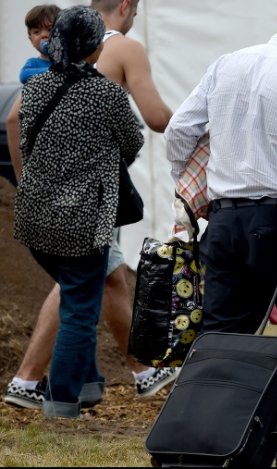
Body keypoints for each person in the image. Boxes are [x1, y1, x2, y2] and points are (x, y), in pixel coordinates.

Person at [164, 0, 277, 465]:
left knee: (217, 344)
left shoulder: (229, 62)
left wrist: (192, 178)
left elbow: (179, 132)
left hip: (221, 222)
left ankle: (195, 449)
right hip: (276, 225)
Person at [4, 0, 176, 411]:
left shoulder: (38, 85)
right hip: (82, 217)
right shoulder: (104, 94)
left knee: (81, 290)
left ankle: (87, 383)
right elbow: (133, 143)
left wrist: (28, 175)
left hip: (33, 218)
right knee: (80, 308)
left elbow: (15, 124)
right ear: (95, 48)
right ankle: (61, 401)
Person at [19, 5, 61, 85]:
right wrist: (53, 70)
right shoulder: (34, 63)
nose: (44, 35)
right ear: (31, 41)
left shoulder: (69, 61)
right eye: (37, 32)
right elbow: (23, 75)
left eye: (49, 30)